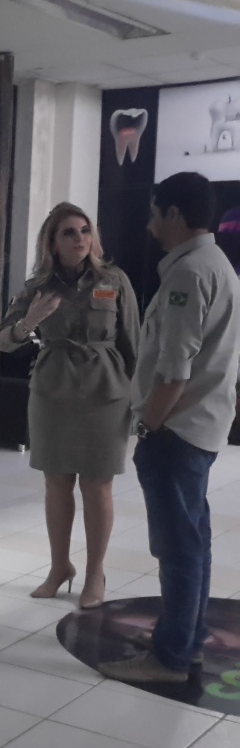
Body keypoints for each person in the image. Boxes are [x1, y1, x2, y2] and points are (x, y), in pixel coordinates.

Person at [100, 172, 240, 684]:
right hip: (201, 428)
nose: (150, 224)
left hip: (177, 432)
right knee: (193, 542)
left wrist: (150, 425)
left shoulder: (188, 274)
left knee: (177, 549)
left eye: (155, 213)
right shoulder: (217, 265)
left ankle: (170, 658)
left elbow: (175, 370)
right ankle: (187, 640)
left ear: (175, 214)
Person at [0, 203, 140, 610]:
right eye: (69, 232)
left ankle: (95, 572)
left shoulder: (114, 281)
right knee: (56, 483)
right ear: (53, 243)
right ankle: (59, 567)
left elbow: (134, 344)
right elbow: (3, 340)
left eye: (85, 230)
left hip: (105, 392)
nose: (80, 238)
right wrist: (30, 321)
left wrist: (138, 402)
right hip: (53, 391)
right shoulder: (37, 287)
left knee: (97, 485)